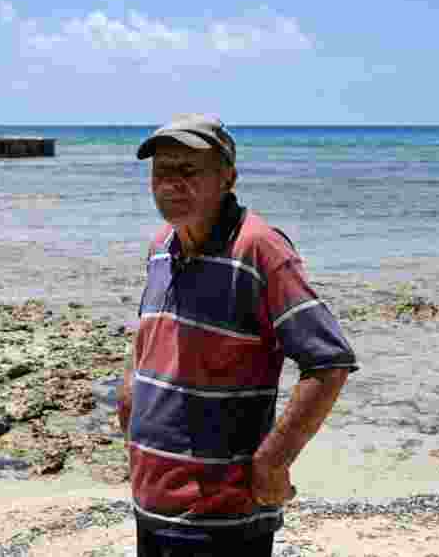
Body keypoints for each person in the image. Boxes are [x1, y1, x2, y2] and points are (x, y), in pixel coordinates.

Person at [117, 113, 359, 556]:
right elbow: (149, 339)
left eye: (188, 170)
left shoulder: (258, 248)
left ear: (227, 177)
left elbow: (329, 362)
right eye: (161, 171)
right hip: (152, 502)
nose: (170, 182)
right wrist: (129, 397)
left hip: (221, 518)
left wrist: (272, 462)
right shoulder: (161, 247)